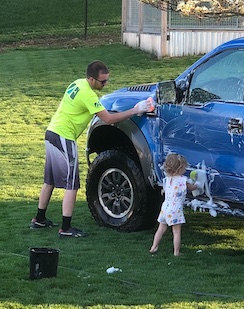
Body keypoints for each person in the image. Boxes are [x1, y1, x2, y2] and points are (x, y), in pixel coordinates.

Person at [31, 60, 154, 237]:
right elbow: (108, 119)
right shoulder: (88, 95)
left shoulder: (77, 83)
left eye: (107, 80)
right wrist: (135, 110)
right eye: (103, 81)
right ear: (91, 79)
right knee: (72, 184)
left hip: (51, 133)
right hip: (64, 137)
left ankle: (39, 219)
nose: (106, 84)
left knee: (49, 180)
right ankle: (66, 228)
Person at [150, 152, 197, 256]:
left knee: (160, 229)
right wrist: (197, 185)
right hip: (175, 209)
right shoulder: (183, 180)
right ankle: (176, 252)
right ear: (180, 168)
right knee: (176, 232)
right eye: (184, 167)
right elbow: (192, 188)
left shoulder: (166, 179)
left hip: (165, 207)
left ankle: (154, 247)